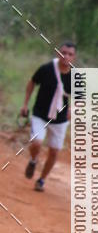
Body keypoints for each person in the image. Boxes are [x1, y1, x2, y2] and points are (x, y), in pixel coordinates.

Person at [20, 42, 76, 192]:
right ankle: (33, 161)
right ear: (58, 53)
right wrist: (25, 104)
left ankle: (41, 180)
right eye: (63, 52)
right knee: (37, 142)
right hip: (40, 114)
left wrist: (73, 108)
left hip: (60, 119)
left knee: (54, 152)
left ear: (74, 57)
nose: (66, 56)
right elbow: (32, 83)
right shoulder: (46, 69)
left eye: (70, 54)